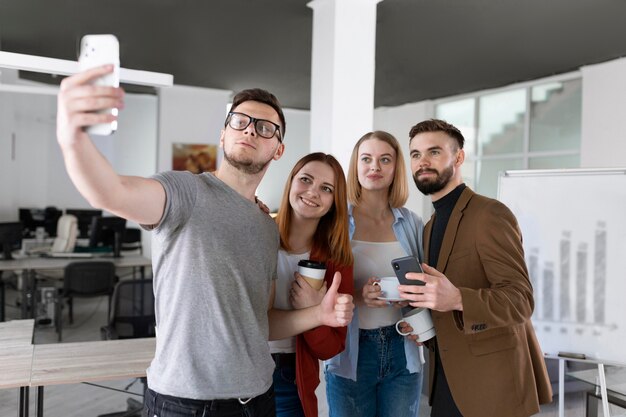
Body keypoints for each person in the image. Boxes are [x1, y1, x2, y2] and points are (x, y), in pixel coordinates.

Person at [56, 65, 354, 417]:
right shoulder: (185, 191)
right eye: (240, 121)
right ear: (223, 134)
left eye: (265, 128)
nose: (250, 131)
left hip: (259, 398)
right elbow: (111, 191)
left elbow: (261, 321)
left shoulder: (265, 227)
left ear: (278, 150)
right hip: (185, 403)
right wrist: (72, 137)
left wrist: (318, 313)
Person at [398, 119, 552, 417]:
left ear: (458, 158)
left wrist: (457, 298)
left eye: (434, 152)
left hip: (491, 387)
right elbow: (447, 303)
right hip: (445, 380)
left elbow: (521, 299)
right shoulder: (429, 227)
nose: (422, 162)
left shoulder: (490, 214)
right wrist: (423, 322)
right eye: (415, 154)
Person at [325, 131, 425, 417]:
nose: (375, 167)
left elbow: (423, 283)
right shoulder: (336, 221)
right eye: (366, 159)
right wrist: (359, 295)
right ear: (356, 165)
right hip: (351, 352)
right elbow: (319, 289)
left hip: (402, 348)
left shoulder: (411, 223)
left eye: (385, 160)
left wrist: (418, 318)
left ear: (396, 168)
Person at [272, 152, 354, 417]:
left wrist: (315, 311)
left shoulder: (337, 260)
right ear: (291, 182)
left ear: (334, 202)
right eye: (305, 179)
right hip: (239, 371)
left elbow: (329, 348)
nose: (312, 192)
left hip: (288, 378)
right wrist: (314, 312)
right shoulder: (258, 234)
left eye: (326, 188)